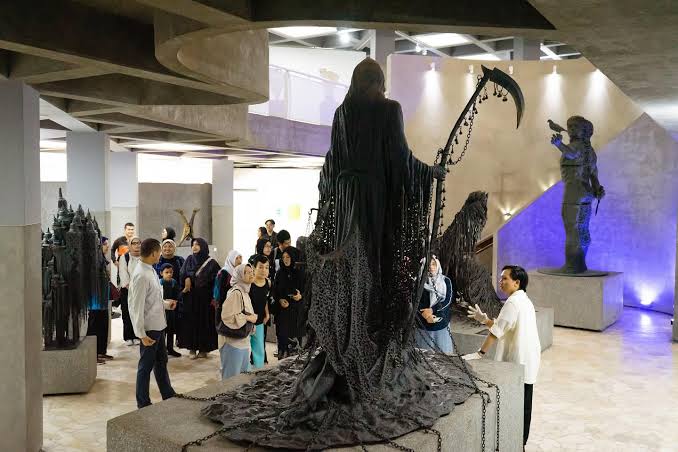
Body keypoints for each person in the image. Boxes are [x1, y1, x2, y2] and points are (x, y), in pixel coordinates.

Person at [463, 265, 541, 448]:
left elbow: (496, 332)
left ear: (516, 282)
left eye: (505, 278)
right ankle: (520, 443)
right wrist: (484, 319)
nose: (501, 281)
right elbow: (505, 326)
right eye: (500, 278)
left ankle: (516, 444)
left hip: (518, 359)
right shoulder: (523, 300)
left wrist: (480, 353)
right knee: (524, 405)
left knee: (517, 406)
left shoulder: (512, 303)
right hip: (528, 359)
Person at [548, 116, 605, 273]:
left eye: (575, 127)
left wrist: (559, 145)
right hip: (586, 193)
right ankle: (580, 264)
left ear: (584, 131)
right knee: (582, 229)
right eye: (570, 126)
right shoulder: (590, 151)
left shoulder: (576, 147)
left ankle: (572, 266)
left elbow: (572, 154)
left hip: (573, 193)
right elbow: (594, 174)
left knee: (572, 229)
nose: (571, 129)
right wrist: (597, 189)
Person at [127, 238, 177, 408]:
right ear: (154, 253)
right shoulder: (141, 274)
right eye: (160, 251)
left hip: (159, 325)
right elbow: (136, 306)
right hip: (149, 329)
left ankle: (168, 394)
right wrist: (141, 334)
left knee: (161, 362)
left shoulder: (150, 270)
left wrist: (166, 304)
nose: (161, 254)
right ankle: (143, 403)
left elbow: (152, 299)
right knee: (145, 367)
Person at [178, 237, 221, 359]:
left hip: (205, 299)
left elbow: (217, 280)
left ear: (203, 246)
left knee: (204, 323)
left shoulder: (211, 262)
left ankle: (203, 349)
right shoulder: (189, 259)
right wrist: (187, 277)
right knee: (191, 322)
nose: (194, 247)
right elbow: (182, 273)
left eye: (197, 244)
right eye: (193, 244)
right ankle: (192, 348)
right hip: (191, 298)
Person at [218, 263, 257, 379]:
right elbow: (228, 316)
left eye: (252, 272)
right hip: (233, 343)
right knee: (231, 379)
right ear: (239, 275)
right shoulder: (235, 292)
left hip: (243, 342)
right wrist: (249, 318)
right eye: (247, 272)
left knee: (242, 379)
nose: (251, 274)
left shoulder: (244, 292)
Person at [415, 255, 453, 354]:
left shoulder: (445, 281)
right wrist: (425, 314)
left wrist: (432, 310)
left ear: (438, 265)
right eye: (428, 265)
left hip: (441, 322)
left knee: (442, 354)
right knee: (424, 354)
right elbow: (415, 300)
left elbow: (448, 300)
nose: (431, 267)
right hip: (423, 322)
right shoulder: (418, 282)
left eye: (433, 264)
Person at [272, 247, 304, 358]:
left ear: (293, 257)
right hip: (282, 312)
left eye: (288, 257)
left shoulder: (300, 273)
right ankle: (281, 356)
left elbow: (306, 292)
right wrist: (280, 300)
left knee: (294, 345)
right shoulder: (279, 273)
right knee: (282, 340)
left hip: (296, 312)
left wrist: (300, 296)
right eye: (284, 257)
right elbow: (275, 291)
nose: (285, 259)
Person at [87, 236, 113, 363]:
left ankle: (101, 351)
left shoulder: (102, 259)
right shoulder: (93, 261)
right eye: (105, 244)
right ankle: (93, 355)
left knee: (103, 326)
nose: (107, 246)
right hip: (95, 301)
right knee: (94, 327)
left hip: (103, 298)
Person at [249, 254, 272, 368]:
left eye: (266, 267)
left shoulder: (268, 283)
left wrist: (267, 314)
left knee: (259, 346)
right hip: (247, 319)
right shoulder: (249, 283)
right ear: (254, 268)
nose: (264, 270)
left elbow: (265, 299)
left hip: (260, 319)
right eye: (261, 267)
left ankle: (259, 368)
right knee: (244, 346)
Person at [118, 236, 142, 345]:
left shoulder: (144, 257)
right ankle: (128, 336)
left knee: (138, 313)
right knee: (127, 313)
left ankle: (137, 335)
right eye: (134, 243)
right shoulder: (124, 257)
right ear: (130, 245)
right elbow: (123, 274)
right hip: (127, 290)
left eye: (138, 243)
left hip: (141, 290)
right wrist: (131, 287)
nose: (136, 245)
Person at [159, 263, 182, 357]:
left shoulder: (173, 282)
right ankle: (161, 350)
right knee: (162, 331)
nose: (169, 274)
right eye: (166, 272)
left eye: (171, 272)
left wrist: (175, 301)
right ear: (161, 273)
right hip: (162, 310)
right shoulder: (159, 283)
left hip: (171, 309)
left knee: (171, 330)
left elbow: (177, 294)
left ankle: (170, 348)